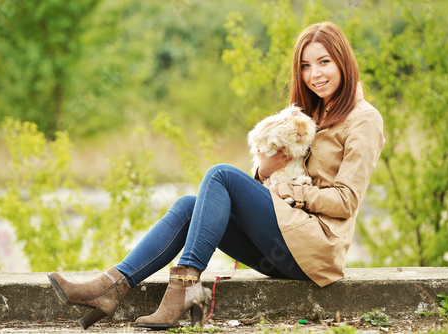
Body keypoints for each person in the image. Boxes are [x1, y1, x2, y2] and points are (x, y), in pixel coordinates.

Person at [47, 21, 385, 330]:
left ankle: (184, 286)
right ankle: (111, 286)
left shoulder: (363, 120)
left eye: (324, 62)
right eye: (306, 66)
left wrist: (291, 193)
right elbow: (275, 182)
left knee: (220, 175)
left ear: (343, 61)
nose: (315, 74)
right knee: (188, 206)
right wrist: (264, 172)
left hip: (315, 250)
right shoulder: (309, 112)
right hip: (283, 240)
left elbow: (345, 202)